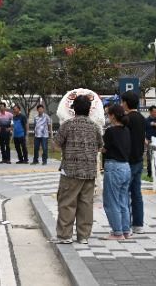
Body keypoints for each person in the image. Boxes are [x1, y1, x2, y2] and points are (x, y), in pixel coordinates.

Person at [54, 95, 102, 244]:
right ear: (89, 110)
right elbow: (100, 146)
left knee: (67, 202)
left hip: (71, 171)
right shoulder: (95, 127)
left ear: (73, 109)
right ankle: (83, 236)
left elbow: (55, 146)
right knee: (86, 204)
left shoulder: (67, 125)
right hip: (89, 171)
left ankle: (65, 235)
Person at [101, 104, 132, 240]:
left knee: (111, 200)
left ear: (113, 115)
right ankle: (126, 230)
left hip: (114, 167)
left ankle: (117, 232)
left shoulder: (110, 131)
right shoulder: (126, 130)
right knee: (123, 200)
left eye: (108, 114)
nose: (108, 117)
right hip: (126, 167)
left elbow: (105, 148)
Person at [121, 91, 145, 234]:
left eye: (122, 101)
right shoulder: (142, 118)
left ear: (126, 103)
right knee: (136, 193)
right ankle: (138, 224)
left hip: (127, 160)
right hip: (139, 159)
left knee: (124, 192)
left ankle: (125, 225)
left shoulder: (126, 119)